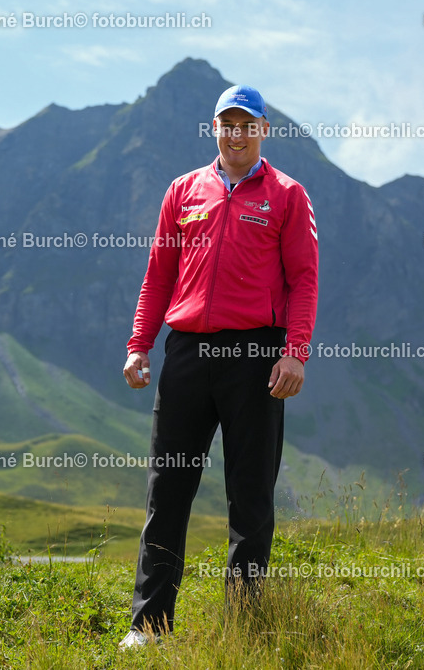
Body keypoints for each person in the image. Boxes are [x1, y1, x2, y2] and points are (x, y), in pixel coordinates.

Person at [119, 84, 319, 648]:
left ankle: (243, 630)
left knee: (250, 494)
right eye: (226, 124)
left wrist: (295, 352)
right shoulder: (183, 190)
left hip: (257, 357)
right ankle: (149, 626)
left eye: (246, 124)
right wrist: (140, 344)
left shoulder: (287, 195)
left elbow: (304, 278)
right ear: (214, 128)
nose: (235, 133)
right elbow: (159, 273)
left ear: (263, 130)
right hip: (186, 352)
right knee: (168, 491)